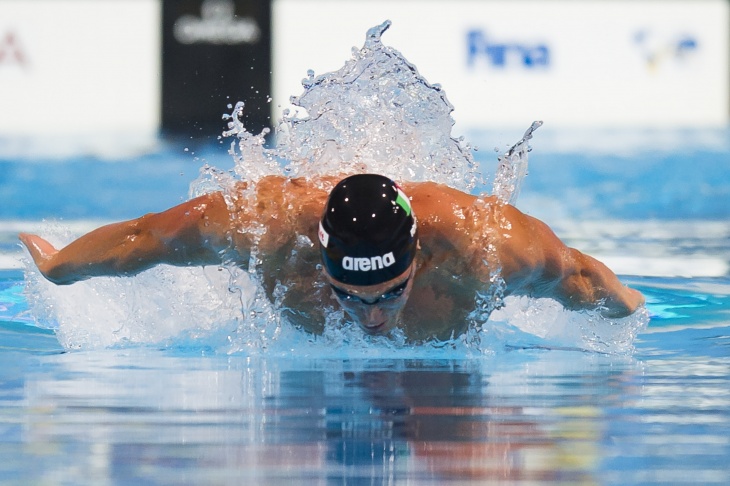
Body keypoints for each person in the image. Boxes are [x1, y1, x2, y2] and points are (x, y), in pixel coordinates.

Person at [19, 173, 644, 341]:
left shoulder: (482, 247)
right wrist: (59, 268)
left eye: (389, 294)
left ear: (419, 257)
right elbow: (144, 239)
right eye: (350, 295)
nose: (370, 318)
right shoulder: (263, 229)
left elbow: (580, 275)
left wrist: (633, 311)